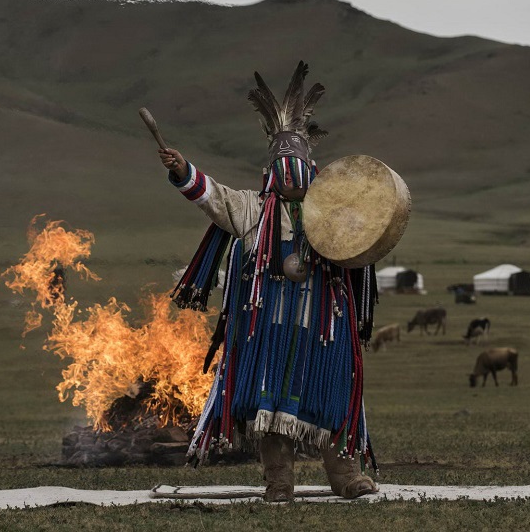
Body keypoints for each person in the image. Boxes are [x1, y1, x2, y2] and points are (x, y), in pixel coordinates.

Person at [159, 61, 378, 502]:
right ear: (273, 170)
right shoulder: (252, 209)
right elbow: (212, 197)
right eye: (284, 166)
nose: (291, 175)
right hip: (268, 330)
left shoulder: (333, 213)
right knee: (269, 407)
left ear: (310, 168)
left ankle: (346, 477)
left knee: (331, 395)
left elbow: (368, 237)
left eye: (297, 166)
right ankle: (279, 483)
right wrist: (184, 170)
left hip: (324, 329)